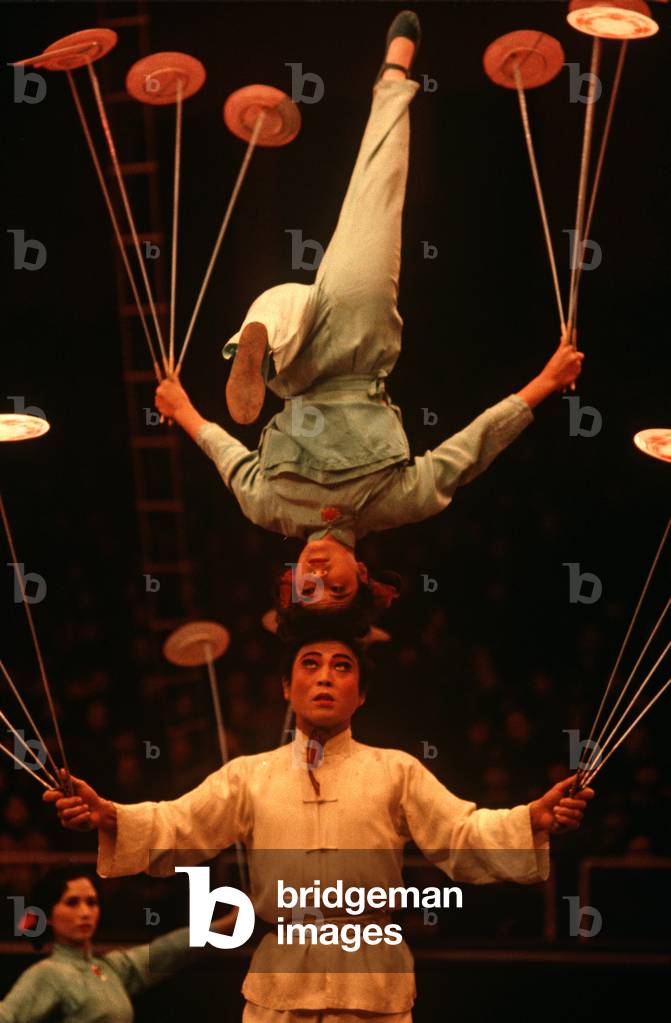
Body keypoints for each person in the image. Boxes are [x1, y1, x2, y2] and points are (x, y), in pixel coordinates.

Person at [155, 11, 585, 613]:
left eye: (308, 589)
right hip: (359, 350)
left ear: (291, 577)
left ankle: (255, 340)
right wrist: (546, 382)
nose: (321, 576)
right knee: (376, 206)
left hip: (296, 374)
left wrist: (181, 408)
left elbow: (221, 449)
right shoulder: (395, 507)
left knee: (281, 311)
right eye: (338, 588)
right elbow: (472, 448)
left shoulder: (267, 508)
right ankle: (394, 74)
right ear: (362, 572)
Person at [44, 633, 594, 1023]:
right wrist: (110, 815)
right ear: (286, 687)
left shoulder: (396, 768)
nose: (325, 676)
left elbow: (463, 833)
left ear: (362, 693)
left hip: (373, 977)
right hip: (281, 975)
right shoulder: (248, 775)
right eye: (310, 664)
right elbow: (178, 823)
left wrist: (531, 820)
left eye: (341, 666)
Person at [0, 865, 235, 1022]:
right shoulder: (48, 973)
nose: (85, 912)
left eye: (91, 902)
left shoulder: (112, 968)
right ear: (49, 915)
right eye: (72, 902)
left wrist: (231, 922)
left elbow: (171, 949)